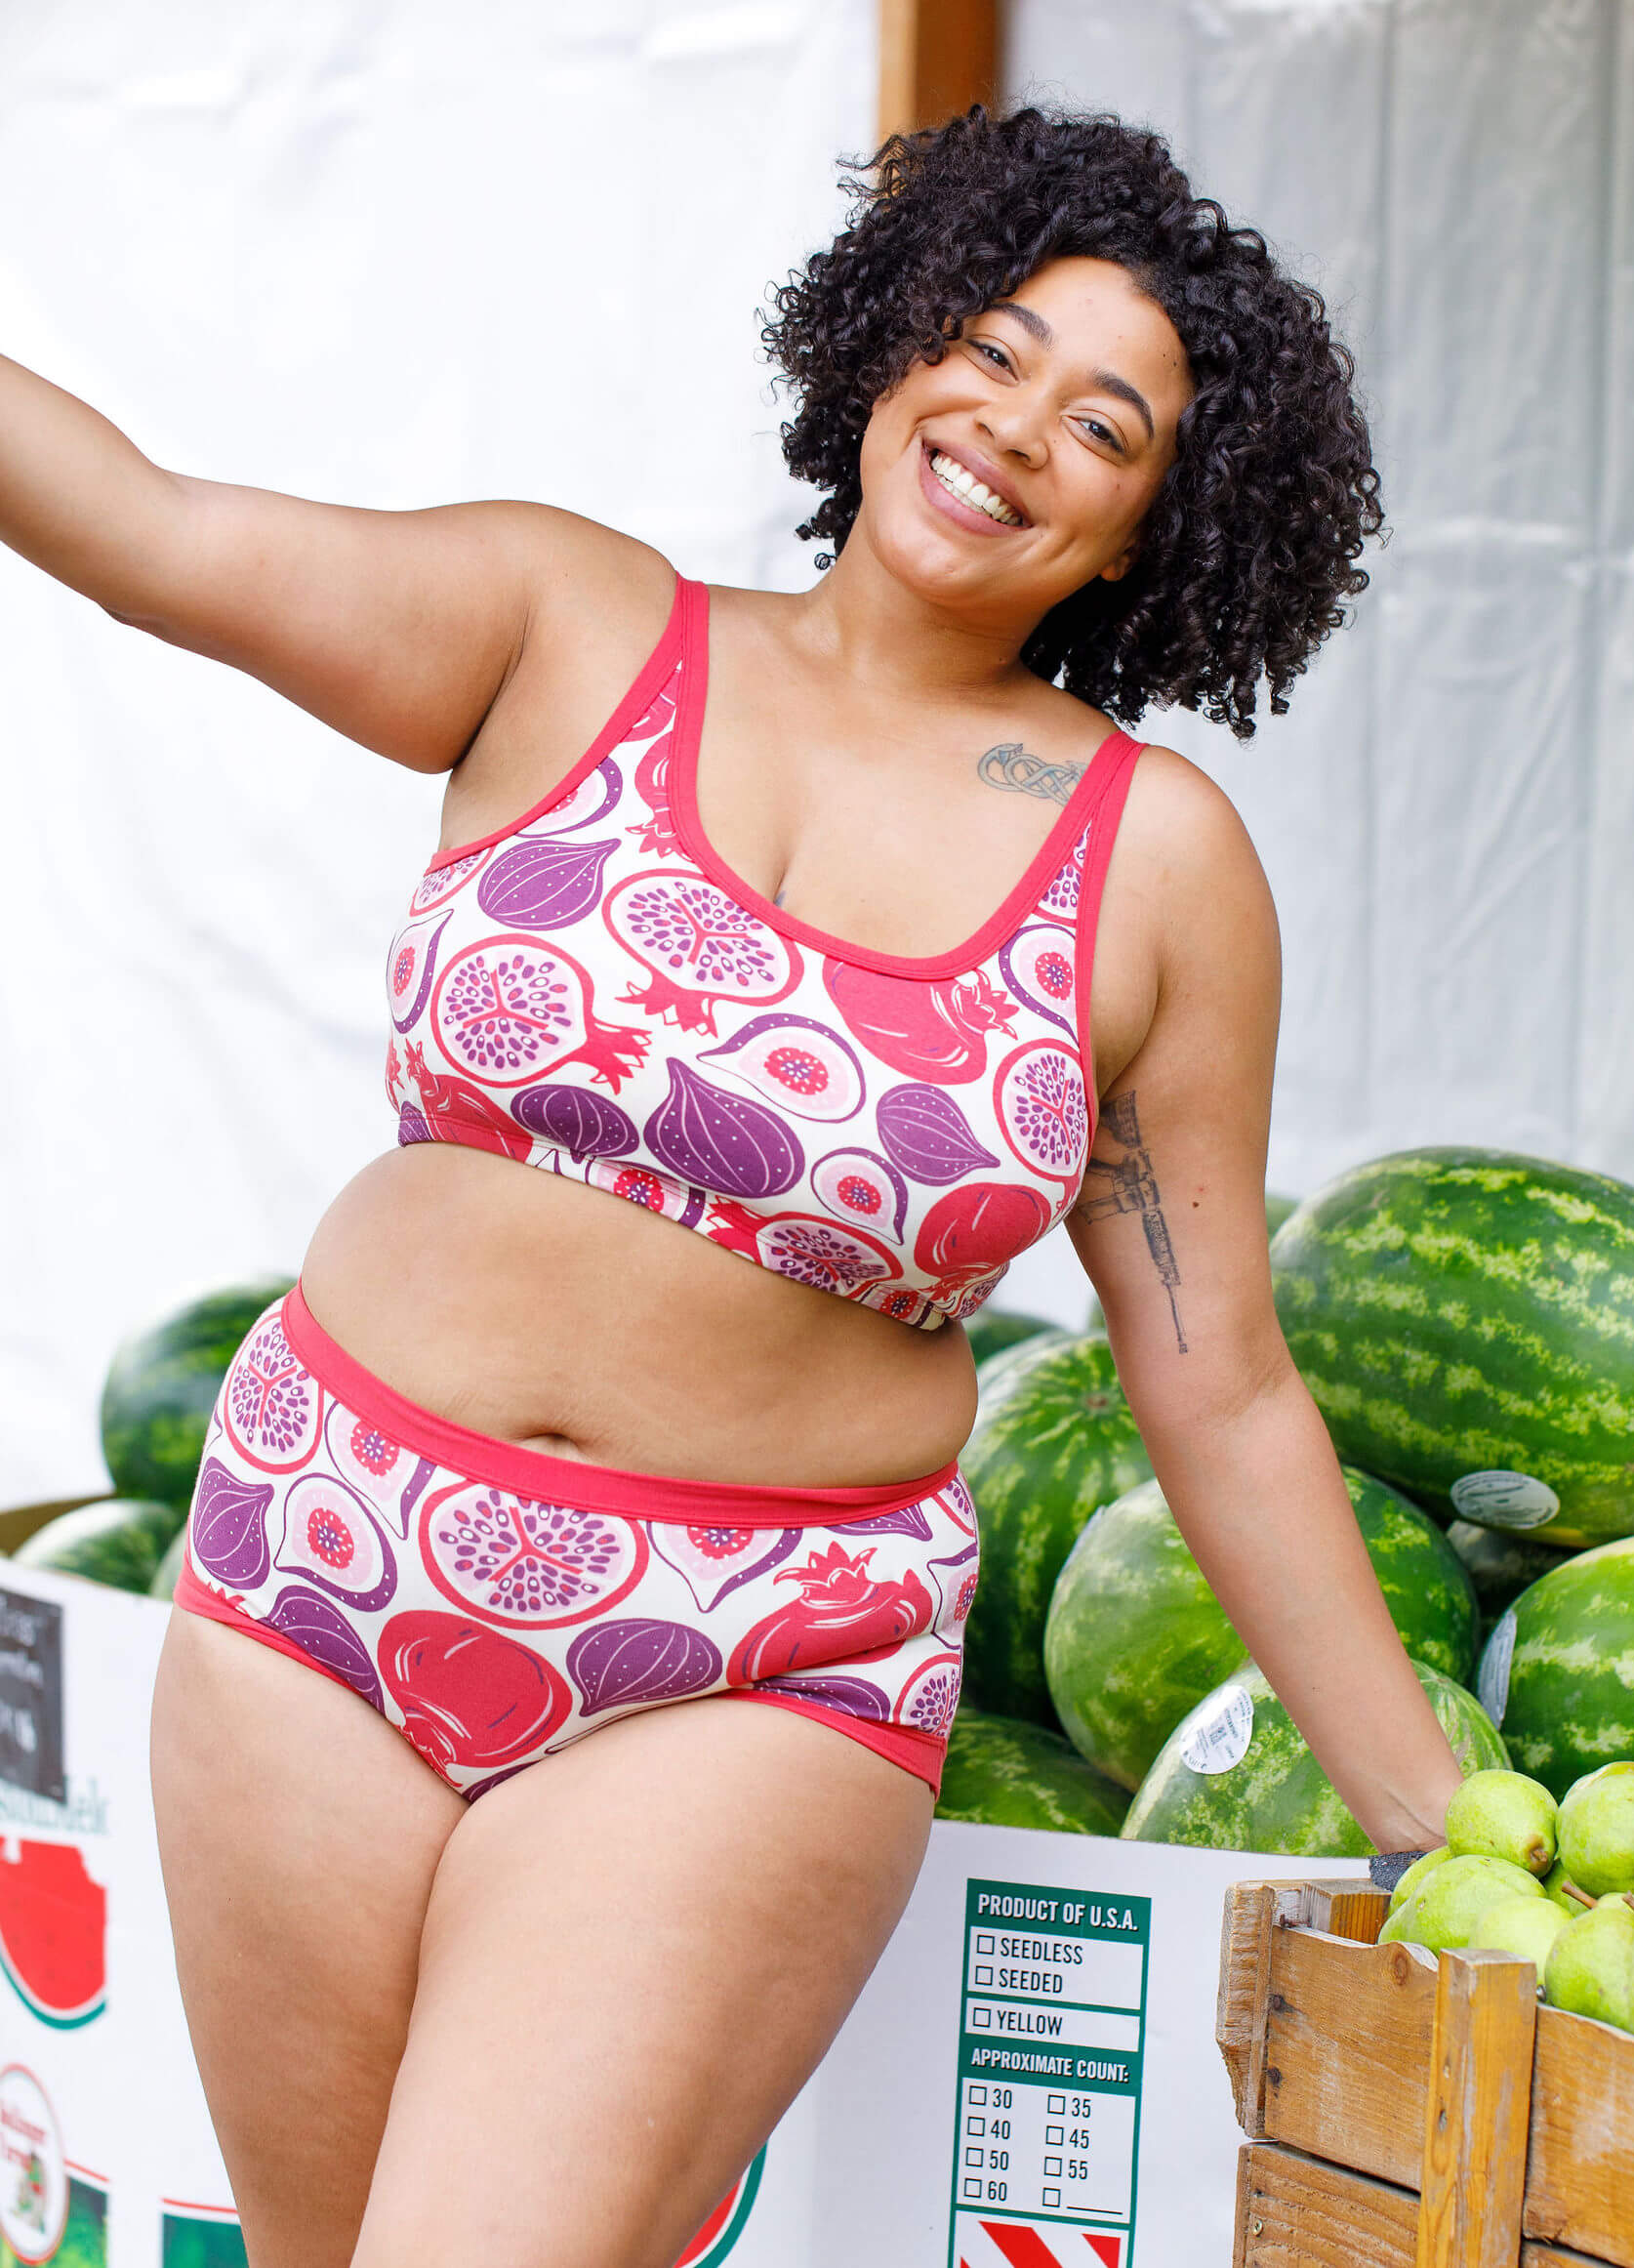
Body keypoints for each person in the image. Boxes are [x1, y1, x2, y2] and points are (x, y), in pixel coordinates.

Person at [1, 103, 1460, 2268]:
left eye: (1105, 424)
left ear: (1154, 534)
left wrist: (1442, 1822)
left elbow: (1218, 1379)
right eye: (987, 340)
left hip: (747, 1658)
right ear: (887, 346)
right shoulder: (560, 621)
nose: (1010, 424)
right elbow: (136, 521)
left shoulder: (1150, 866)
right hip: (317, 1559)